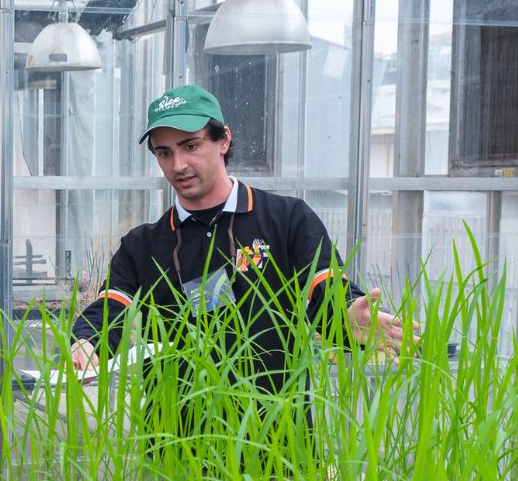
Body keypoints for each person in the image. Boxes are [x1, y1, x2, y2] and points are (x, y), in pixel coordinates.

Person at [69, 85, 407, 384]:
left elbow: (325, 286)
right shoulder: (143, 245)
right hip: (177, 440)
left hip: (276, 433)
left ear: (223, 140)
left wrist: (348, 314)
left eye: (191, 146)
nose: (179, 165)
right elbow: (111, 308)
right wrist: (86, 340)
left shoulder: (286, 219)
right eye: (165, 152)